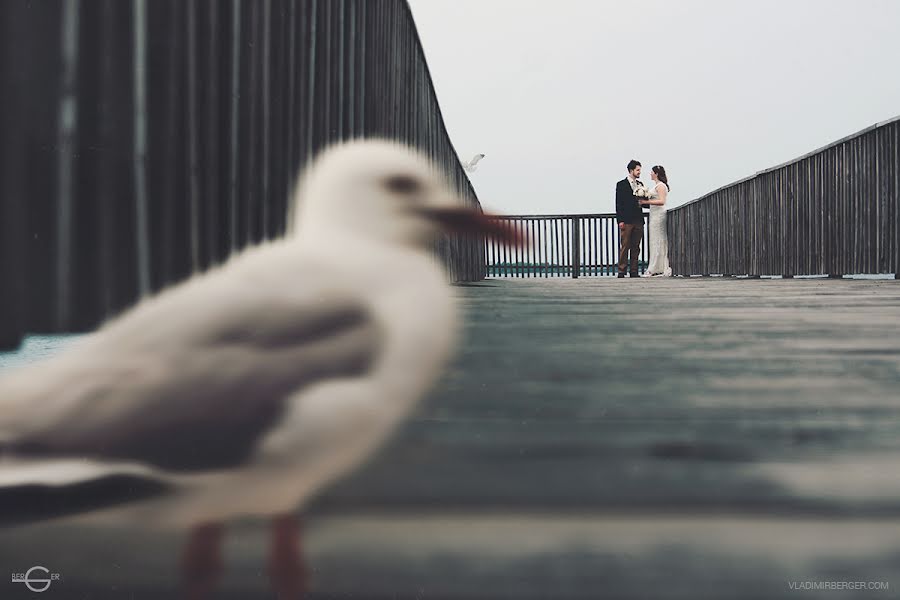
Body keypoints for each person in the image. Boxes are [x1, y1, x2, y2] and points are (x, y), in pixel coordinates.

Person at [639, 165, 673, 277]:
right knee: (654, 240)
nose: (650, 174)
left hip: (659, 215)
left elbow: (662, 201)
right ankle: (655, 266)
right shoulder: (656, 186)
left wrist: (645, 202)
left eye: (652, 172)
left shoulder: (661, 186)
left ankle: (657, 267)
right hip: (654, 214)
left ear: (656, 174)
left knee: (659, 239)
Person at [615, 159, 645, 278]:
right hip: (626, 220)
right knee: (625, 246)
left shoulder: (640, 185)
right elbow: (618, 203)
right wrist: (620, 220)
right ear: (631, 170)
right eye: (638, 170)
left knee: (636, 247)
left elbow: (644, 203)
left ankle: (634, 270)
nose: (639, 172)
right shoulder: (621, 184)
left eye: (639, 170)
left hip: (638, 219)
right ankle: (621, 270)